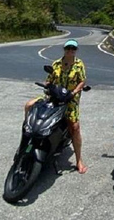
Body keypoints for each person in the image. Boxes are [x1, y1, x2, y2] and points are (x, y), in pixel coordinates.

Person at [24, 39, 88, 173]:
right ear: (64, 49)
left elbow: (82, 81)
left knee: (75, 127)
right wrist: (47, 84)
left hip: (69, 100)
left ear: (76, 50)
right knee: (29, 105)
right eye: (68, 48)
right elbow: (50, 79)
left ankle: (79, 160)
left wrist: (74, 92)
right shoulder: (56, 64)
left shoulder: (79, 64)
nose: (70, 50)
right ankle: (26, 140)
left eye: (73, 48)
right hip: (53, 97)